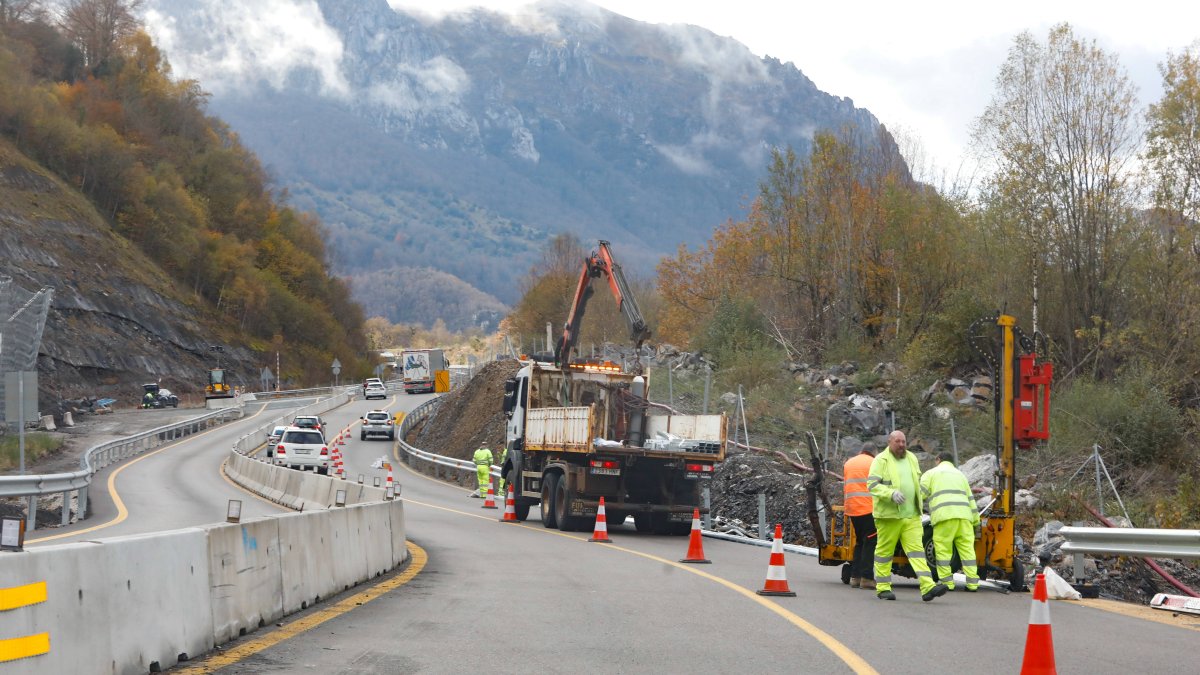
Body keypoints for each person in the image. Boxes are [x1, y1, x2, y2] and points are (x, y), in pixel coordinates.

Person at [867, 430, 948, 602]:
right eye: (898, 442)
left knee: (917, 552)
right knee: (885, 552)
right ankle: (883, 588)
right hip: (889, 516)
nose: (901, 445)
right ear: (889, 442)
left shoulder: (911, 457)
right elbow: (872, 485)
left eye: (903, 442)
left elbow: (915, 483)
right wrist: (890, 494)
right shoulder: (880, 460)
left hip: (911, 515)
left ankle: (928, 587)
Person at [920, 452, 982, 592]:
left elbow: (920, 495)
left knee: (943, 550)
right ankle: (972, 584)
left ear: (938, 459)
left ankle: (948, 583)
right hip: (964, 518)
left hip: (944, 517)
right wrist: (975, 520)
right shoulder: (961, 475)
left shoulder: (931, 473)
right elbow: (970, 499)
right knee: (967, 551)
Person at [842, 443, 877, 589]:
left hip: (852, 509)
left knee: (860, 542)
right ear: (873, 452)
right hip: (868, 508)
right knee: (870, 542)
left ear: (862, 450)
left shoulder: (849, 463)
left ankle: (855, 577)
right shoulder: (874, 462)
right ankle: (867, 578)